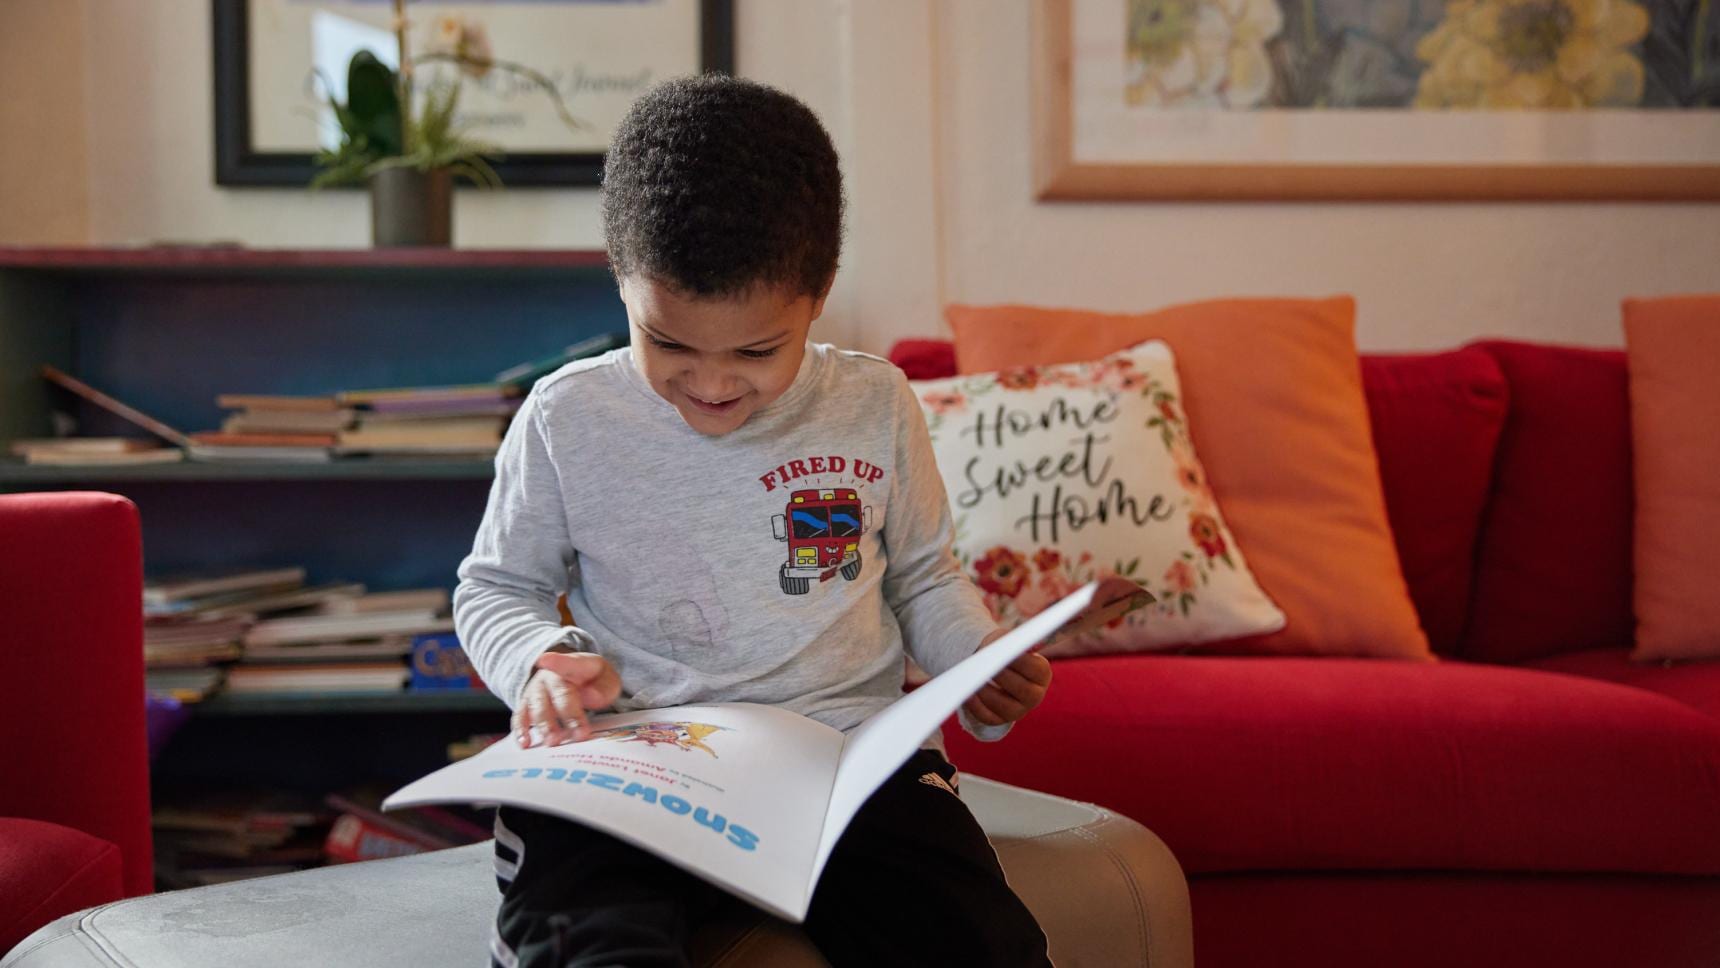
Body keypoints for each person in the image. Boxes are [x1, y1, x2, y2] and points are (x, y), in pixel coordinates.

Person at [454, 73, 1054, 968]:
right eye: (669, 343)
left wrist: (975, 659)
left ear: (818, 296)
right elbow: (498, 588)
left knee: (978, 940)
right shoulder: (566, 417)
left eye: (757, 351)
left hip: (844, 767)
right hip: (634, 763)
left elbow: (925, 576)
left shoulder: (876, 403)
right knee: (585, 935)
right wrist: (540, 661)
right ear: (622, 283)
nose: (713, 383)